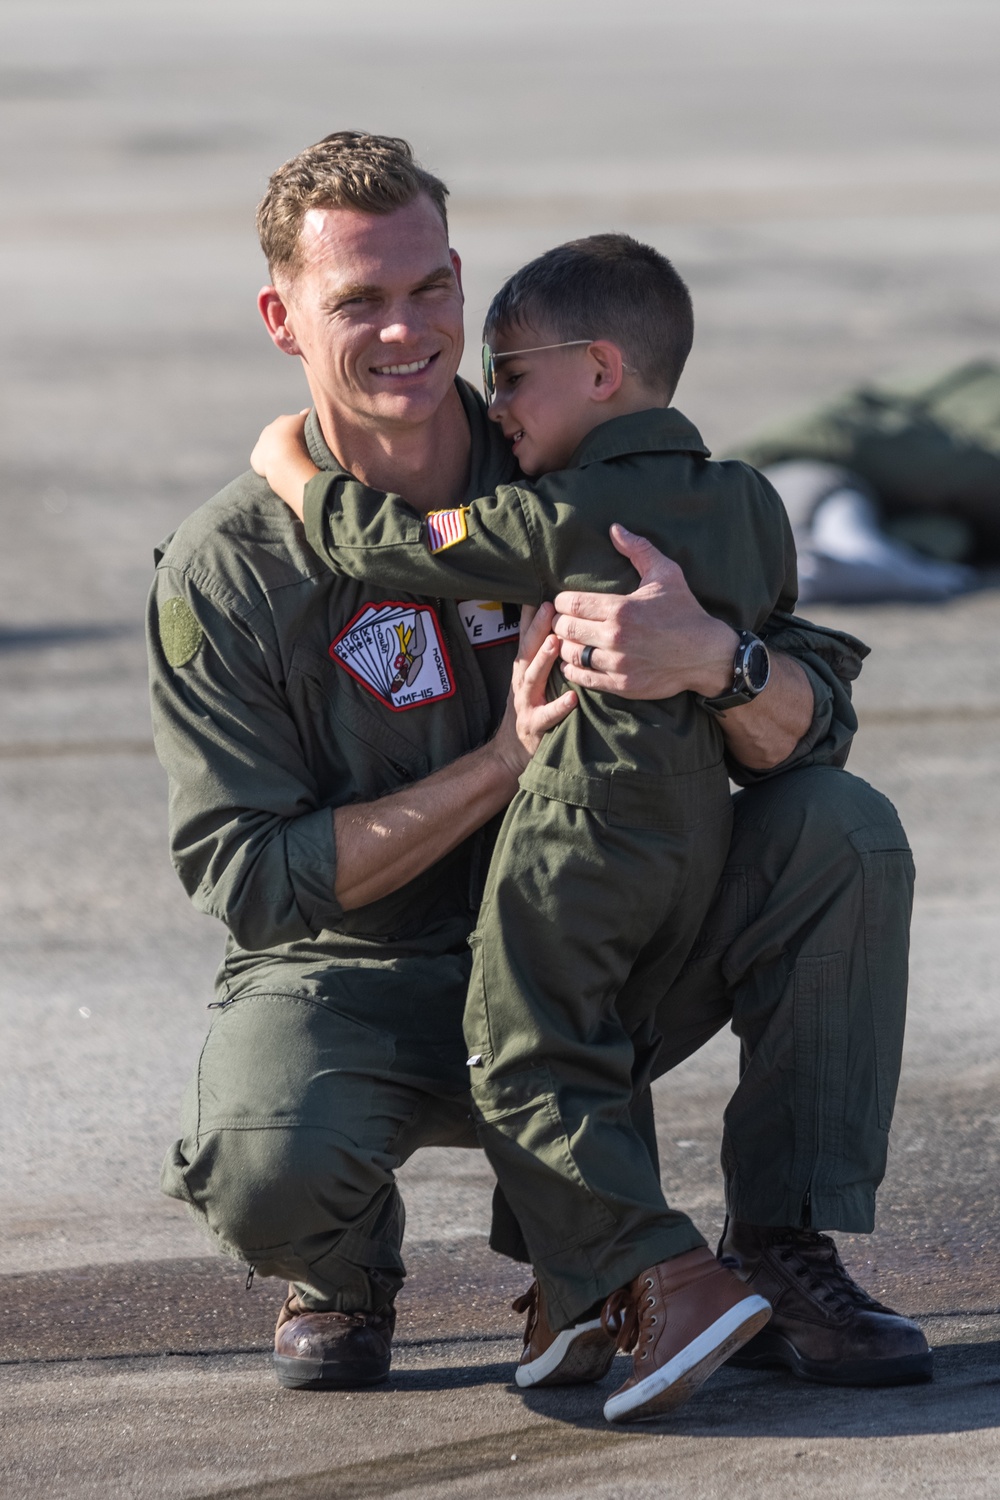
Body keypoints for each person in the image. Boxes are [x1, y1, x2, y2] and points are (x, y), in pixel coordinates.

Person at [147, 131, 930, 1405]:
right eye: (358, 302)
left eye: (429, 290)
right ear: (281, 318)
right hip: (370, 975)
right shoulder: (231, 568)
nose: (407, 332)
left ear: (461, 280)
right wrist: (504, 765)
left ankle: (779, 1245)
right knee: (264, 1156)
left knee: (841, 830)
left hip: (609, 935)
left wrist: (711, 659)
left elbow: (812, 723)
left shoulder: (570, 450)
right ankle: (342, 1268)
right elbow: (253, 880)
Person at [250, 231, 795, 1421]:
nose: (494, 406)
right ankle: (576, 1294)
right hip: (696, 837)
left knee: (524, 1049)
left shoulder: (563, 511)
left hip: (580, 829)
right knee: (583, 1035)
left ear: (600, 371)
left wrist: (289, 465)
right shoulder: (752, 502)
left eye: (511, 373)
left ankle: (665, 1278)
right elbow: (796, 661)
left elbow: (383, 546)